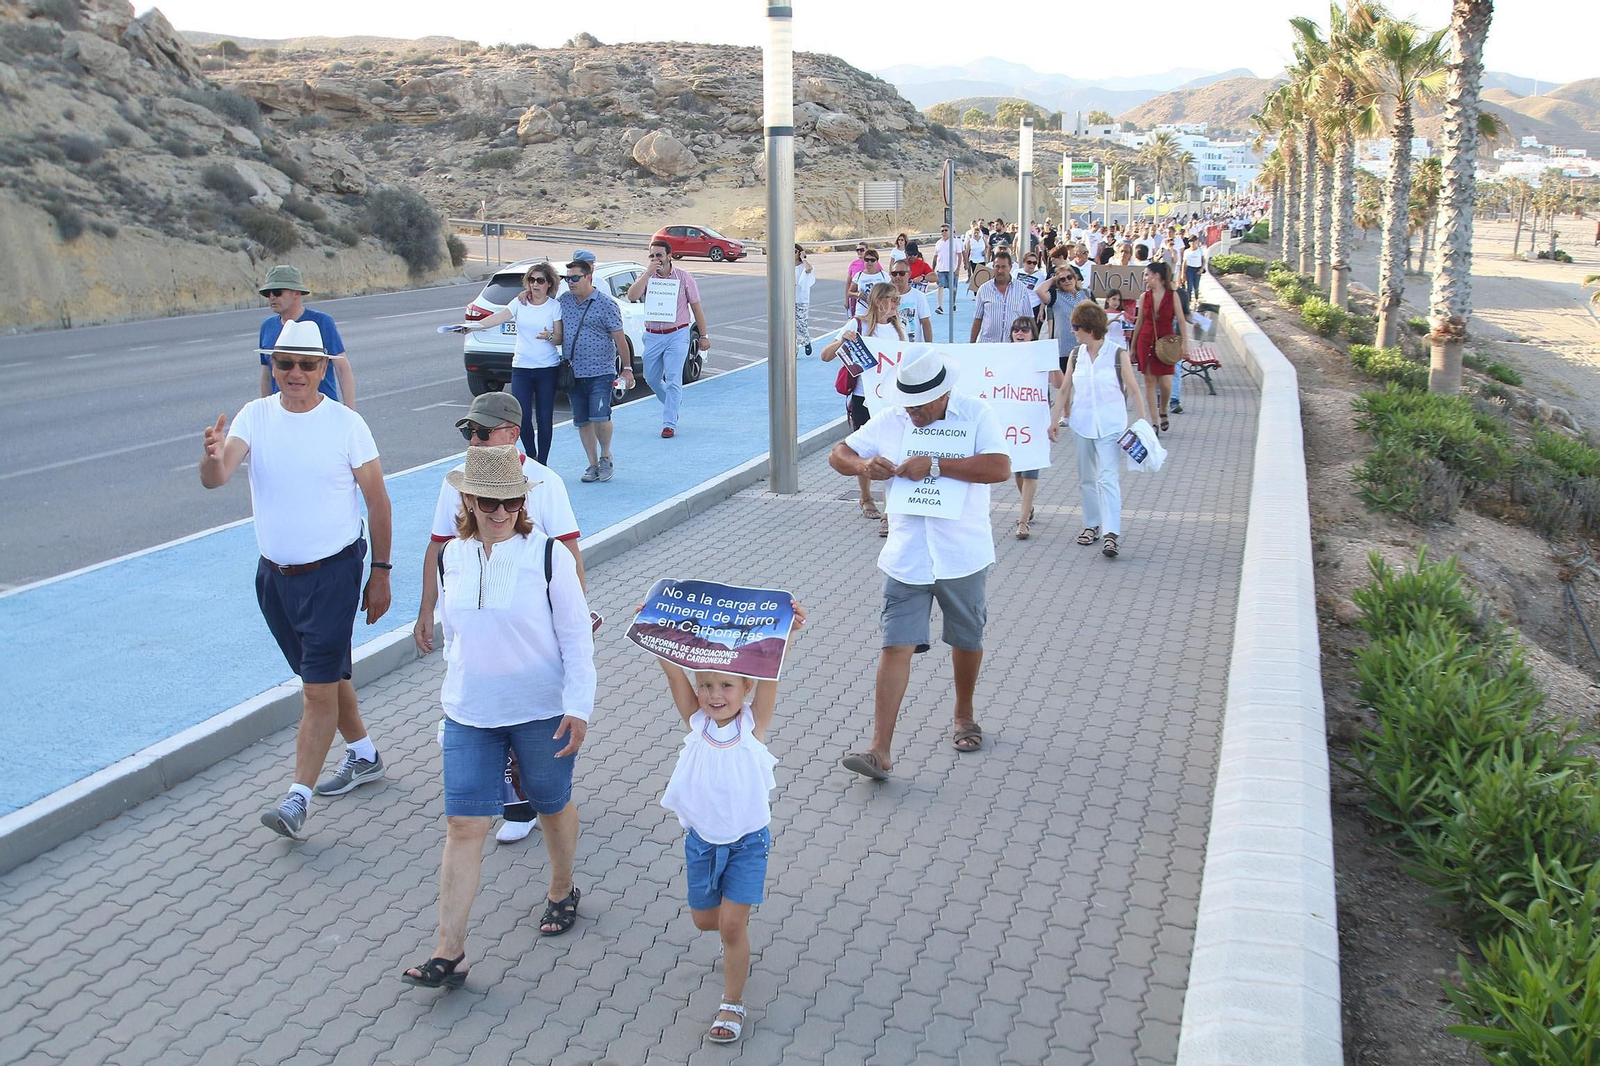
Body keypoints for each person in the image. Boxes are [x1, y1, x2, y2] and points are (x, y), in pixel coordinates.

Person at [400, 445, 596, 990]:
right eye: (488, 501)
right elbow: (457, 636)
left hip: (540, 710)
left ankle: (562, 888)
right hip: (470, 714)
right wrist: (452, 695)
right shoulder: (450, 558)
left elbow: (577, 638)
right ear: (468, 500)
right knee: (464, 825)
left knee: (551, 805)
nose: (500, 511)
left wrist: (578, 706)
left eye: (511, 500)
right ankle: (450, 951)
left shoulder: (549, 556)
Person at [200, 319, 393, 840]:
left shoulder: (347, 425)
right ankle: (365, 755)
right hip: (275, 581)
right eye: (284, 363)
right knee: (324, 679)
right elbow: (217, 478)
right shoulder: (254, 416)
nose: (295, 373)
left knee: (315, 691)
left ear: (324, 368)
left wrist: (380, 573)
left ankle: (297, 800)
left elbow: (378, 502)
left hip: (334, 574)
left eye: (307, 364)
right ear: (273, 366)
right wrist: (213, 458)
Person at [413, 392, 586, 844]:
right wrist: (426, 611)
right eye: (469, 430)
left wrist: (579, 616)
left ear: (511, 433)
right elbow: (439, 548)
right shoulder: (455, 483)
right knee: (468, 809)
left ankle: (540, 808)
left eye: (481, 431)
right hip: (477, 648)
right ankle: (516, 803)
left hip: (534, 635)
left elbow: (568, 551)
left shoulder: (546, 483)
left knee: (544, 774)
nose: (473, 438)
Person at [829, 351, 1012, 779]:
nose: (912, 413)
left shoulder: (976, 413)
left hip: (961, 552)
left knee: (967, 638)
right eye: (908, 405)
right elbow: (839, 453)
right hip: (906, 554)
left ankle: (964, 715)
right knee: (895, 644)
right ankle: (879, 750)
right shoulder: (893, 419)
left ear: (944, 394)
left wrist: (934, 465)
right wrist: (861, 464)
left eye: (921, 406)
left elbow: (1000, 467)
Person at [654, 601, 808, 1043]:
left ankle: (732, 1003)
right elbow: (673, 674)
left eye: (726, 685)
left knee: (731, 925)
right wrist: (653, 629)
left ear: (745, 688)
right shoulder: (697, 721)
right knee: (706, 921)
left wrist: (788, 634)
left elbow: (771, 673)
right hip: (701, 842)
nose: (714, 694)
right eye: (706, 686)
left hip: (747, 843)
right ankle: (731, 939)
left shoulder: (753, 726)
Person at [1048, 301, 1149, 560]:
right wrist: (1053, 420)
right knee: (1086, 479)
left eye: (1076, 327)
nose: (1072, 331)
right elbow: (1065, 389)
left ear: (1090, 328)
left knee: (1108, 478)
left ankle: (1111, 533)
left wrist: (1142, 423)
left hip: (1111, 426)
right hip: (1082, 425)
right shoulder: (1076, 355)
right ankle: (1092, 524)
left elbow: (1134, 390)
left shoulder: (1117, 355)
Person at [455, 262, 563, 464]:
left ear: (549, 283)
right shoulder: (519, 302)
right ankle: (531, 457)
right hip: (521, 366)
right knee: (521, 416)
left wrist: (549, 337)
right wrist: (472, 327)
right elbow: (497, 318)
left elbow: (559, 338)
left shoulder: (554, 307)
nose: (535, 285)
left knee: (544, 416)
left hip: (546, 368)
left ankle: (543, 462)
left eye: (540, 280)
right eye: (531, 280)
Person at [822, 282, 905, 536]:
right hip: (862, 396)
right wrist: (843, 342)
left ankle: (890, 513)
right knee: (864, 448)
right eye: (893, 300)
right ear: (880, 301)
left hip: (891, 401)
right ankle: (866, 496)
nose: (896, 305)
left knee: (892, 451)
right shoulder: (856, 325)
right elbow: (825, 355)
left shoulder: (898, 330)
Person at [558, 257, 634, 482]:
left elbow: (620, 339)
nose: (570, 282)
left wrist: (627, 369)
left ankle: (606, 456)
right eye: (567, 278)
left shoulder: (606, 304)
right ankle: (592, 464)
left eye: (574, 278)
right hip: (573, 372)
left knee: (600, 416)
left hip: (601, 371)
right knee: (582, 420)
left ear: (588, 277)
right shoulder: (563, 302)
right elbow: (543, 308)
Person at [627, 239, 710, 439]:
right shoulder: (647, 276)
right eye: (652, 256)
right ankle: (673, 400)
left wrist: (704, 336)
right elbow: (632, 295)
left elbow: (696, 308)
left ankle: (669, 423)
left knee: (673, 379)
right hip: (653, 336)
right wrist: (647, 273)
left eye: (659, 255)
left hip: (677, 334)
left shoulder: (684, 278)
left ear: (669, 256)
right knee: (651, 378)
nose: (656, 259)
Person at [256, 265, 354, 408]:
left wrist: (349, 412)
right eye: (267, 293)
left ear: (296, 293)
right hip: (285, 411)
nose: (272, 297)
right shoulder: (267, 326)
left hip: (322, 411)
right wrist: (266, 410)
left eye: (277, 292)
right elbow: (267, 374)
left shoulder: (321, 322)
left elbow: (342, 368)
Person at [1005, 315, 1058, 541]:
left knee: (1030, 469)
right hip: (1012, 419)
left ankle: (1023, 520)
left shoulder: (1040, 353)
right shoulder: (1004, 355)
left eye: (1025, 330)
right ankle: (1028, 505)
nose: (1019, 333)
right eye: (1016, 329)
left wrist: (1052, 362)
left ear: (1033, 334)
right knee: (1017, 468)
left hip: (1035, 419)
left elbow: (1058, 383)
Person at [1132, 261, 1190, 435]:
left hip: (1166, 342)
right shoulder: (1145, 297)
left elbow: (1181, 320)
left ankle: (1163, 409)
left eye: (1147, 275)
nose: (1145, 278)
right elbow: (1139, 321)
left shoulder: (1173, 296)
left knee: (1165, 383)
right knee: (1149, 381)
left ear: (1157, 276)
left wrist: (1185, 344)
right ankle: (1154, 422)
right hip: (1146, 339)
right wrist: (1133, 347)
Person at [970, 250, 1032, 343]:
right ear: (993, 267)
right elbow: (977, 320)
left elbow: (1029, 320)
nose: (1000, 271)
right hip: (988, 345)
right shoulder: (983, 289)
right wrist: (972, 344)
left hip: (1012, 345)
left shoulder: (1021, 289)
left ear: (1010, 267)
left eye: (1003, 267)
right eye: (997, 267)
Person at [1036, 261, 1089, 367]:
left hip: (1084, 347)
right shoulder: (1055, 296)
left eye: (1069, 277)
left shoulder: (1086, 294)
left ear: (1074, 278)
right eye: (1062, 280)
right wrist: (1055, 278)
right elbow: (1039, 290)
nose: (1067, 281)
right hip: (1063, 350)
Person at [889, 259, 933, 342]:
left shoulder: (919, 296)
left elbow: (925, 323)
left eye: (901, 273)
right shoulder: (885, 296)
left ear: (909, 274)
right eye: (894, 274)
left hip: (913, 345)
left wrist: (929, 345)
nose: (898, 276)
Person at [845, 249, 889, 320]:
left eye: (872, 260)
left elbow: (892, 292)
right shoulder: (859, 275)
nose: (869, 262)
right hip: (862, 313)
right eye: (867, 260)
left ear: (877, 261)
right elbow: (849, 293)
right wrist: (858, 294)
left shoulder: (884, 276)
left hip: (879, 313)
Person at [932, 224, 962, 313]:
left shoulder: (955, 242)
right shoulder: (938, 243)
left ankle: (953, 303)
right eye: (942, 231)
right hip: (941, 269)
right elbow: (935, 256)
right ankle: (940, 306)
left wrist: (958, 269)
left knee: (953, 289)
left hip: (952, 270)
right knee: (940, 286)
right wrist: (932, 269)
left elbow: (959, 256)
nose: (944, 232)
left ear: (949, 231)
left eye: (946, 230)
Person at [794, 245, 816, 356]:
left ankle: (806, 340)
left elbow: (809, 270)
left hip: (801, 300)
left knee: (801, 323)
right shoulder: (786, 266)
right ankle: (793, 350)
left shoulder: (804, 266)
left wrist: (804, 258)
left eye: (795, 251)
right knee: (789, 326)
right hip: (787, 300)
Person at [1182, 234, 1208, 307]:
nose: (1192, 243)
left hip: (1197, 269)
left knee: (1196, 287)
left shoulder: (1200, 250)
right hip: (1189, 269)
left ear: (1196, 241)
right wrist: (1183, 273)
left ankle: (1196, 299)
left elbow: (1203, 260)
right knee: (1189, 287)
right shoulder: (1186, 251)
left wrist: (1202, 269)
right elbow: (1184, 262)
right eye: (1191, 241)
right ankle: (1189, 301)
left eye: (1194, 241)